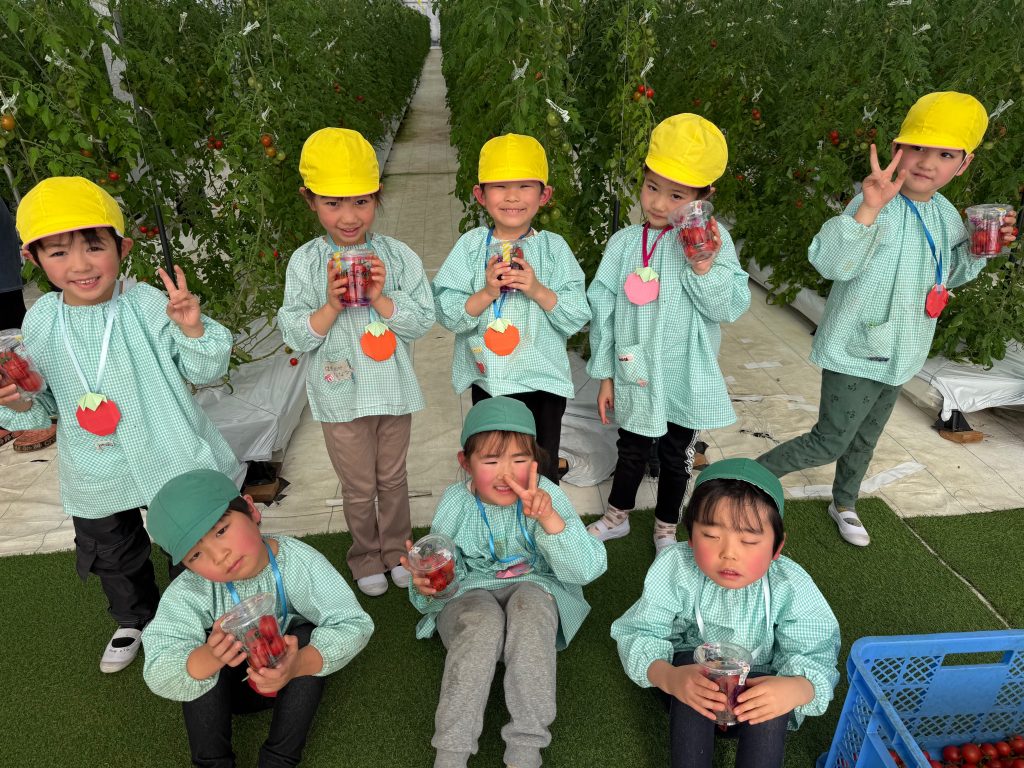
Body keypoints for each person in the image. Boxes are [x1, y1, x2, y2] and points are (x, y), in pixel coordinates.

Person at [0, 177, 242, 673]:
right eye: (59, 252)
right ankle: (135, 618)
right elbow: (43, 404)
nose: (81, 265)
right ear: (33, 259)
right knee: (111, 548)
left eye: (94, 246)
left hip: (167, 448)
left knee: (191, 536)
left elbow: (205, 370)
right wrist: (18, 401)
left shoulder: (148, 305)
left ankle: (198, 613)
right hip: (94, 465)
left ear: (122, 248)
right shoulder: (41, 320)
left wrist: (192, 326)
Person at [756, 92, 1019, 546]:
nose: (927, 162)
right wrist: (868, 208)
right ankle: (743, 479)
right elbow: (832, 264)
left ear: (964, 164)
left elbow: (948, 275)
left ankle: (845, 502)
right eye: (916, 147)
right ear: (897, 148)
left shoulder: (946, 215)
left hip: (903, 351)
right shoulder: (873, 202)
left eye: (944, 154)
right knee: (830, 440)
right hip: (857, 349)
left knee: (866, 436)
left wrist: (980, 250)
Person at [401, 396, 607, 768]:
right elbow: (443, 577)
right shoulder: (456, 502)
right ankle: (451, 754)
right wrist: (429, 583)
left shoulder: (547, 495)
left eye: (519, 460)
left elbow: (587, 570)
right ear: (465, 462)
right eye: (491, 461)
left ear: (536, 461)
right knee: (483, 621)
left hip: (535, 591)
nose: (506, 474)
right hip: (471, 596)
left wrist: (549, 519)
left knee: (530, 606)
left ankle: (525, 750)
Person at [278, 128, 435, 597]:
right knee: (358, 485)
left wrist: (382, 298)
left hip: (392, 391)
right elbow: (295, 334)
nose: (349, 216)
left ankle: (399, 551)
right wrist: (331, 305)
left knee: (393, 478)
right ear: (310, 200)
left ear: (377, 196)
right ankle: (366, 555)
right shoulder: (306, 263)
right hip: (339, 395)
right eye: (333, 203)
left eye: (362, 202)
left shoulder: (397, 257)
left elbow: (421, 320)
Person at [586, 114, 751, 555]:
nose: (658, 203)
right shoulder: (624, 244)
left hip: (684, 371)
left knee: (678, 455)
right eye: (651, 187)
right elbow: (603, 308)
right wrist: (605, 374)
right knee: (632, 447)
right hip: (634, 368)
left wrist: (703, 266)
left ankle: (665, 527)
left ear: (703, 197)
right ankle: (617, 516)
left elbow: (729, 307)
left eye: (676, 195)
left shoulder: (711, 242)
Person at [611, 458, 840, 768]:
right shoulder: (675, 567)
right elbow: (640, 631)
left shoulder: (791, 584)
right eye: (711, 536)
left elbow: (816, 652)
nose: (729, 553)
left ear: (777, 548)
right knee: (696, 677)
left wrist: (797, 688)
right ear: (690, 537)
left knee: (772, 700)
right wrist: (671, 677)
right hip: (687, 684)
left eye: (749, 540)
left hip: (758, 689)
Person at [141, 469, 374, 768]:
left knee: (303, 637)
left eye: (221, 531)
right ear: (186, 566)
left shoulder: (299, 561)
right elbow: (158, 664)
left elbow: (353, 623)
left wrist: (298, 664)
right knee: (200, 654)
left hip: (290, 677)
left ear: (251, 509)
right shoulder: (191, 589)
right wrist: (209, 657)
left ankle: (278, 760)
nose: (219, 557)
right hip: (233, 688)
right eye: (196, 555)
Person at [432, 134, 590, 483]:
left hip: (543, 382)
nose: (512, 196)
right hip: (491, 380)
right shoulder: (471, 247)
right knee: (495, 466)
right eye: (500, 186)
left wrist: (536, 289)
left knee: (540, 467)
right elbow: (447, 310)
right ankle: (496, 513)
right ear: (481, 195)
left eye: (524, 186)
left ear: (544, 195)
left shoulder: (553, 249)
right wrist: (488, 292)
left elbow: (576, 315)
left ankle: (542, 514)